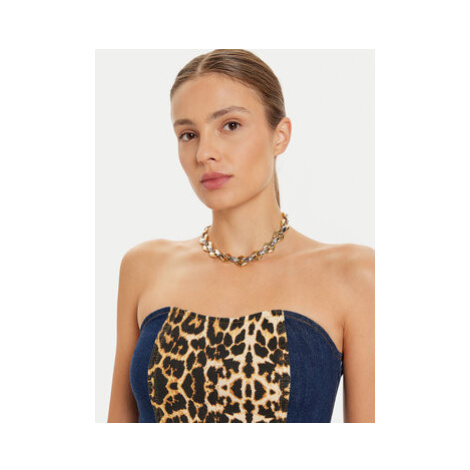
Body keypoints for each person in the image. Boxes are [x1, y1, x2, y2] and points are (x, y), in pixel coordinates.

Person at [107, 49, 375, 423]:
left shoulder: (355, 275)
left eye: (230, 125)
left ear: (280, 136)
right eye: (188, 134)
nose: (204, 153)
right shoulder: (145, 267)